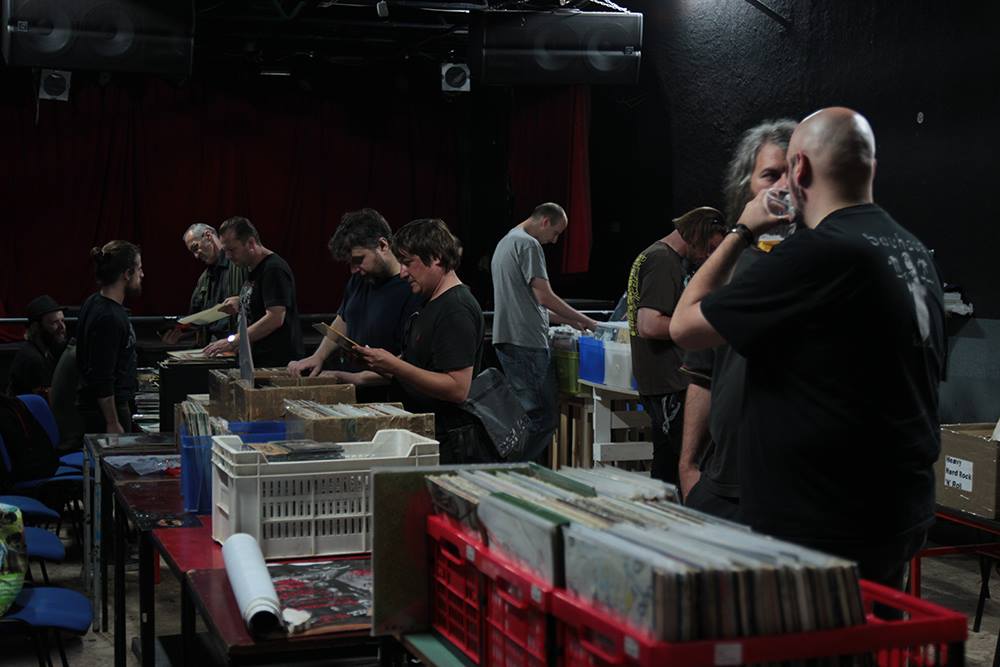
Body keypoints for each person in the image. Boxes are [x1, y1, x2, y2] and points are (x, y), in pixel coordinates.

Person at [669, 107, 945, 589]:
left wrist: (741, 230)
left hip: (823, 519)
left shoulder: (818, 253)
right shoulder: (912, 251)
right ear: (870, 167)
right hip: (897, 510)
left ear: (800, 169)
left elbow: (684, 326)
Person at [678, 119, 796, 518]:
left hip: (790, 483)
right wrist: (688, 465)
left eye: (793, 173)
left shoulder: (817, 259)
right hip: (723, 480)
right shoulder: (725, 268)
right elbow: (702, 374)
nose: (783, 185)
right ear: (748, 186)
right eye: (771, 175)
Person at [351, 218, 494, 464]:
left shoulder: (455, 309)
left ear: (436, 257)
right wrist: (382, 365)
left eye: (408, 263)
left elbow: (457, 388)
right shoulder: (429, 301)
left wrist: (395, 366)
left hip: (445, 446)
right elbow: (420, 368)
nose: (403, 273)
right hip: (425, 438)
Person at [625, 207, 727, 485]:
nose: (708, 257)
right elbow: (648, 324)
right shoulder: (663, 260)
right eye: (709, 248)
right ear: (695, 234)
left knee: (666, 467)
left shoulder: (655, 256)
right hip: (669, 382)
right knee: (688, 466)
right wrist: (699, 326)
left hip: (660, 381)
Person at [490, 203, 598, 463]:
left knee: (528, 417)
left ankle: (514, 470)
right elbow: (544, 296)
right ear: (545, 221)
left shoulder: (506, 242)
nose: (554, 240)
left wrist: (570, 321)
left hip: (510, 340)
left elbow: (529, 305)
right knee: (543, 418)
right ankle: (512, 471)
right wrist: (586, 320)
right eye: (556, 233)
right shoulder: (528, 244)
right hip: (525, 343)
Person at [287, 209, 422, 380]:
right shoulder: (360, 278)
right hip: (351, 386)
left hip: (386, 391)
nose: (353, 270)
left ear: (383, 245)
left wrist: (358, 378)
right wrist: (318, 356)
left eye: (359, 260)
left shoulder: (412, 288)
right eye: (350, 263)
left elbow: (409, 365)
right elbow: (343, 319)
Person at [204, 216, 303, 367]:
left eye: (232, 250)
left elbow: (275, 318)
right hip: (258, 360)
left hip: (275, 363)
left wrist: (233, 341)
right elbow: (263, 300)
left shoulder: (273, 268)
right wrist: (241, 301)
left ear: (250, 243)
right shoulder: (253, 268)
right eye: (226, 251)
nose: (228, 256)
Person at [76, 241, 143, 434]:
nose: (142, 275)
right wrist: (112, 422)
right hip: (108, 412)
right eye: (139, 269)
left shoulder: (95, 302)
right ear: (127, 274)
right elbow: (102, 376)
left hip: (110, 407)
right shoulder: (109, 317)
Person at [166, 222, 247, 345]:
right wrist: (178, 333)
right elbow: (194, 319)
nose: (196, 256)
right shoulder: (204, 279)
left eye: (195, 247)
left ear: (208, 235)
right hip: (212, 346)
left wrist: (240, 302)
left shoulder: (240, 265)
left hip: (238, 343)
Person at [6, 295, 67, 398]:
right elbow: (46, 400)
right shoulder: (33, 359)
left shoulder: (44, 349)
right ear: (36, 327)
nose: (62, 327)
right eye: (54, 322)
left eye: (63, 320)